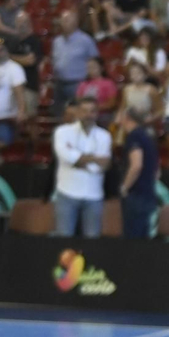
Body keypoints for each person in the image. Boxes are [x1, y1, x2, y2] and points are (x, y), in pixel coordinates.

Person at [52, 97, 111, 238]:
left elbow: (101, 167)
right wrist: (94, 159)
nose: (88, 115)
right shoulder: (62, 132)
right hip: (67, 193)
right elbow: (65, 157)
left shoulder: (104, 136)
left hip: (94, 196)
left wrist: (77, 159)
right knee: (63, 240)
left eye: (92, 111)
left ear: (97, 114)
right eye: (84, 111)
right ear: (78, 112)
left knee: (92, 241)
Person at [117, 107, 159, 238]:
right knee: (143, 237)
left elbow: (136, 165)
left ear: (127, 118)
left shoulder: (134, 136)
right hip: (148, 192)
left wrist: (125, 187)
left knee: (133, 238)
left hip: (136, 195)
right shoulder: (147, 136)